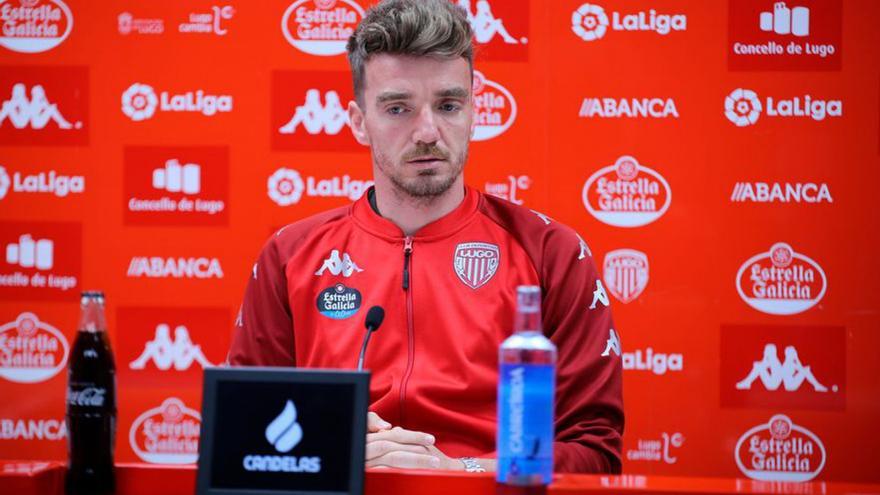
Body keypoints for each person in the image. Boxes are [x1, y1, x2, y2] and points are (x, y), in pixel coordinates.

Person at [227, 0, 623, 474]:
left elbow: (595, 453)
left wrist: (462, 474)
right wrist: (337, 453)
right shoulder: (291, 255)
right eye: (398, 108)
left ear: (474, 111)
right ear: (358, 121)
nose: (428, 131)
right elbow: (242, 436)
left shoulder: (552, 252)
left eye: (448, 105)